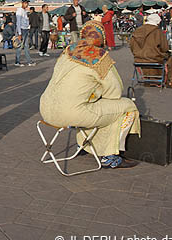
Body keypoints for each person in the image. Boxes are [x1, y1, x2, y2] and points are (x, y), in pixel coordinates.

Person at [40, 21, 140, 169]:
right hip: (69, 114)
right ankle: (109, 155)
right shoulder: (99, 56)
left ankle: (85, 145)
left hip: (45, 109)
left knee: (94, 106)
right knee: (127, 107)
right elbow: (115, 92)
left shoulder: (68, 50)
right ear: (102, 39)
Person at [130, 14, 172, 89]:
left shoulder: (137, 31)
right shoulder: (157, 31)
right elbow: (165, 48)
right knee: (168, 57)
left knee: (159, 57)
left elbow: (131, 46)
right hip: (154, 58)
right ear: (157, 22)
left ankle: (152, 79)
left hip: (138, 58)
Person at [15, 0, 35, 66]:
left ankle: (29, 61)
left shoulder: (25, 11)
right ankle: (17, 61)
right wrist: (19, 33)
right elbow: (18, 22)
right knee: (20, 46)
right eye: (25, 3)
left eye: (27, 3)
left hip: (26, 29)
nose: (27, 4)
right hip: (22, 30)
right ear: (22, 3)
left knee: (26, 46)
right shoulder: (19, 11)